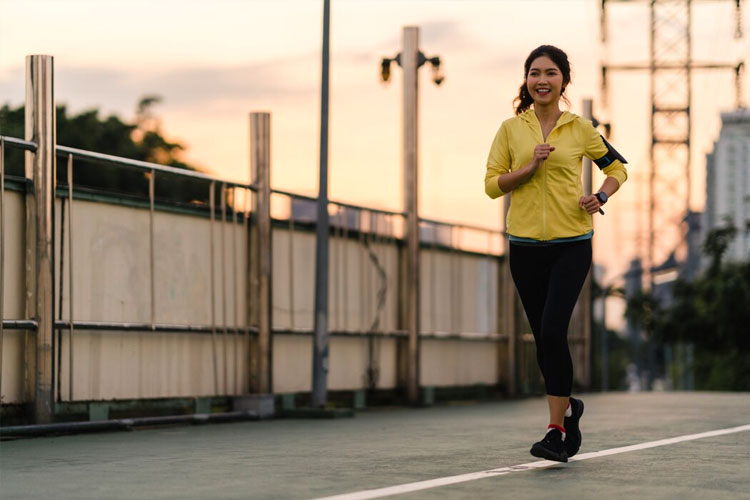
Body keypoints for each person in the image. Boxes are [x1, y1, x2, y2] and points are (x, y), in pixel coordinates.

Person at [484, 45, 628, 462]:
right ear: (526, 81)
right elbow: (492, 185)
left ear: (564, 80)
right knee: (543, 340)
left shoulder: (580, 128)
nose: (541, 80)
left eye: (550, 73)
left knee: (552, 331)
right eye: (534, 73)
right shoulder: (511, 130)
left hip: (572, 245)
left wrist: (599, 194)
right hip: (524, 247)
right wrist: (528, 169)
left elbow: (618, 169)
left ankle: (554, 431)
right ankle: (568, 407)